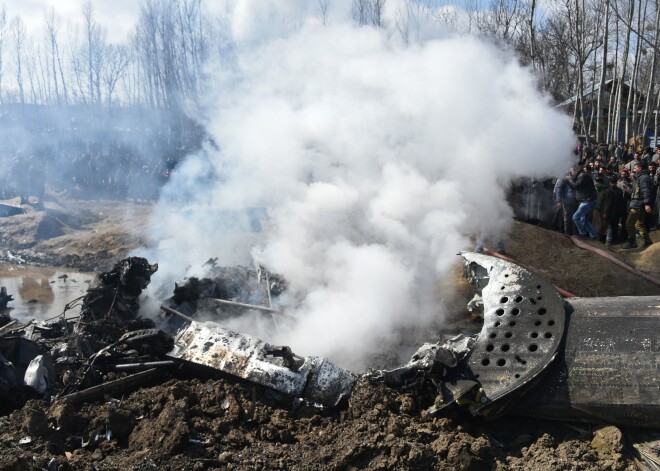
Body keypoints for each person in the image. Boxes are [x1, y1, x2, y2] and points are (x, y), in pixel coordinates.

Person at [624, 161, 654, 248]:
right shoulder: (640, 177)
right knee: (639, 224)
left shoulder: (643, 178)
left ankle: (632, 242)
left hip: (638, 205)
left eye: (635, 167)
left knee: (629, 223)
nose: (634, 169)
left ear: (640, 168)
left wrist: (647, 204)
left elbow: (646, 191)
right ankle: (647, 241)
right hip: (639, 204)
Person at [566, 165, 599, 239]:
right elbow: (574, 186)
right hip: (586, 201)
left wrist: (569, 180)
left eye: (571, 172)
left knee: (575, 217)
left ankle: (583, 234)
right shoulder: (580, 177)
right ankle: (594, 235)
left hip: (588, 201)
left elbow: (576, 186)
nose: (570, 173)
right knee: (584, 220)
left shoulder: (584, 176)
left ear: (576, 171)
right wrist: (570, 179)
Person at [601, 175, 626, 246]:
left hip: (609, 211)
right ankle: (614, 239)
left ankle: (608, 240)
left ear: (610, 182)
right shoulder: (619, 190)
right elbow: (621, 201)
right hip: (617, 211)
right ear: (616, 182)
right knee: (615, 225)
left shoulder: (607, 190)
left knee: (608, 226)